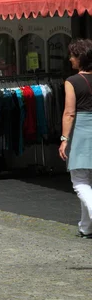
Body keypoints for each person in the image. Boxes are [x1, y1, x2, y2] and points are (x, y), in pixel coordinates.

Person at [59, 39, 92, 239]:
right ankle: (86, 227)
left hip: (81, 131)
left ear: (80, 58)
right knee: (87, 180)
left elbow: (69, 113)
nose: (70, 58)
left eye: (72, 55)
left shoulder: (72, 81)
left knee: (79, 180)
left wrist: (64, 138)